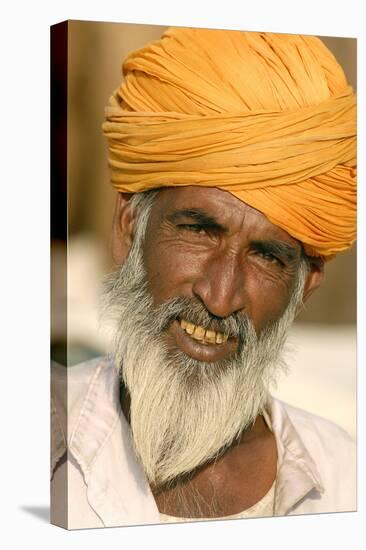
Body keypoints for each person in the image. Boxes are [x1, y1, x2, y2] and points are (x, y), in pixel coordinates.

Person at [51, 27, 356, 529]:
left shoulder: (345, 481)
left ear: (305, 285)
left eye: (266, 257)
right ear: (129, 227)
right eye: (197, 230)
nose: (219, 297)